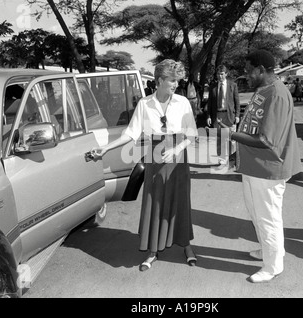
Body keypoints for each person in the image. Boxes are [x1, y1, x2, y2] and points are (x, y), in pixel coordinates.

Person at [90, 59, 198, 271]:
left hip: (178, 160)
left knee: (180, 203)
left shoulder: (183, 102)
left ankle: (186, 246)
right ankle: (153, 251)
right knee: (155, 203)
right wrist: (106, 148)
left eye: (177, 81)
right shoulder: (144, 104)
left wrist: (176, 150)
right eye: (171, 80)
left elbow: (192, 134)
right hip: (155, 159)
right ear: (159, 80)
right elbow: (130, 133)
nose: (175, 85)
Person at [230, 50, 301, 283]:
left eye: (249, 70)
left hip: (268, 169)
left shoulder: (277, 95)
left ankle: (272, 266)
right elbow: (251, 124)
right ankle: (269, 250)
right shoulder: (263, 90)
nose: (246, 74)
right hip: (253, 166)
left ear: (261, 69)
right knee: (256, 213)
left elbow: (266, 140)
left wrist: (233, 136)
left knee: (268, 217)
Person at [206, 65, 240, 168]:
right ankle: (221, 159)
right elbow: (210, 103)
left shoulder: (232, 85)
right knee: (219, 137)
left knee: (229, 137)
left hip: (229, 115)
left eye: (222, 74)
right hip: (217, 114)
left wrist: (237, 115)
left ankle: (230, 158)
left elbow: (237, 101)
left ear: (226, 74)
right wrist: (208, 116)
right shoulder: (213, 87)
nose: (220, 76)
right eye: (218, 74)